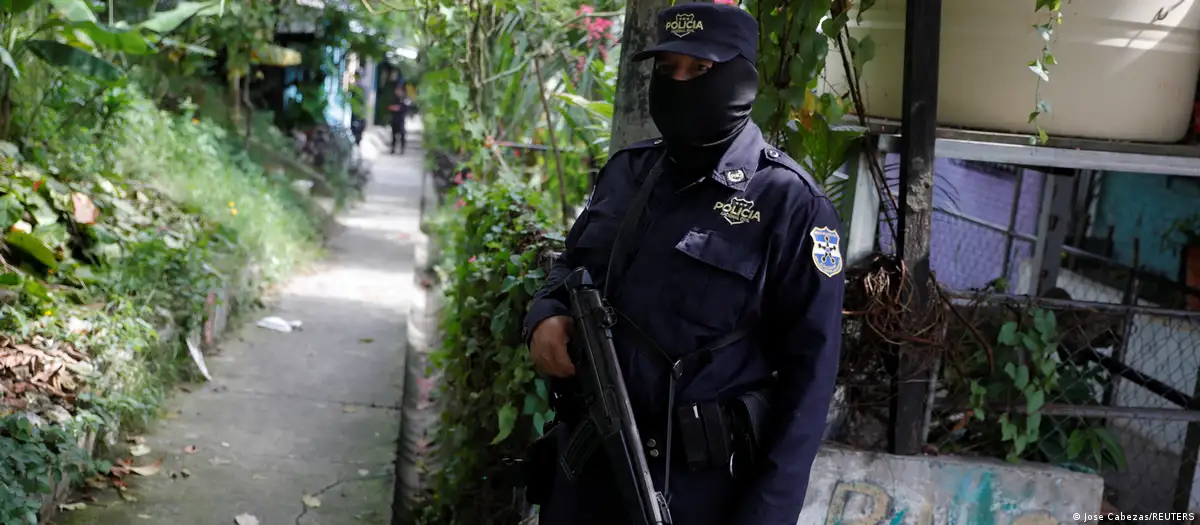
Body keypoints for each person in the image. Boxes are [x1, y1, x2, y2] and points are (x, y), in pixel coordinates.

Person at [522, 3, 845, 525]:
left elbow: (809, 385)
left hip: (697, 496)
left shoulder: (790, 206)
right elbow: (570, 271)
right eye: (667, 69)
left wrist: (764, 517)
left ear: (744, 76)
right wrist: (545, 314)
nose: (680, 83)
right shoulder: (628, 173)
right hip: (584, 479)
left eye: (701, 70)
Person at [387, 83, 410, 154]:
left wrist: (398, 108)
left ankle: (402, 149)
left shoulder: (404, 99)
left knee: (402, 135)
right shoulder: (394, 99)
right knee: (393, 135)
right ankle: (393, 148)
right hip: (394, 119)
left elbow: (405, 109)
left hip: (401, 119)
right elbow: (389, 107)